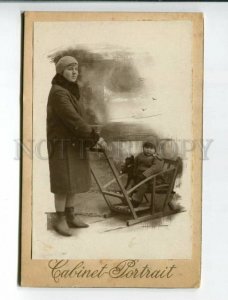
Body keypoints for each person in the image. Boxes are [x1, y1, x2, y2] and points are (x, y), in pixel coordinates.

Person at [47, 56, 107, 236]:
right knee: (63, 183)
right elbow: (73, 119)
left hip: (73, 143)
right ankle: (60, 219)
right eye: (70, 69)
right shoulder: (58, 92)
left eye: (76, 69)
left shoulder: (69, 90)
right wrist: (95, 137)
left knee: (74, 181)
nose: (74, 72)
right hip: (62, 145)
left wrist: (89, 135)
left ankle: (70, 216)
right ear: (60, 72)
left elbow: (79, 119)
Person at [131, 141, 164, 208]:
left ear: (155, 150)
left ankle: (136, 200)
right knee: (132, 182)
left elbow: (155, 168)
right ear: (143, 148)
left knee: (143, 184)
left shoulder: (156, 158)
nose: (148, 150)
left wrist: (145, 175)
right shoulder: (140, 156)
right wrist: (134, 173)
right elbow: (135, 165)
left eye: (151, 148)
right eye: (146, 147)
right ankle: (127, 197)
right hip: (140, 177)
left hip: (154, 179)